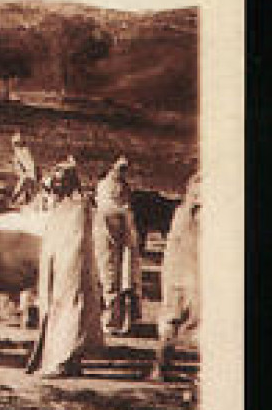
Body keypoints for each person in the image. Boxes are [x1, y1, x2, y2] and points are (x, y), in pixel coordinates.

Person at [25, 162, 105, 378]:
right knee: (58, 308)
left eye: (60, 182)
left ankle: (63, 361)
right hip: (57, 265)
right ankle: (67, 360)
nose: (56, 187)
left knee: (70, 308)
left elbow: (77, 241)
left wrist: (67, 267)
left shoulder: (79, 207)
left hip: (72, 267)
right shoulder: (61, 207)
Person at [151, 170, 201, 381]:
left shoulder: (181, 212)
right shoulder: (195, 217)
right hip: (188, 273)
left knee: (172, 318)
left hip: (177, 273)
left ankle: (160, 367)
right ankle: (161, 367)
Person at [93, 157, 140, 334]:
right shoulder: (109, 187)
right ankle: (114, 319)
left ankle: (117, 320)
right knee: (113, 276)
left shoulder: (119, 188)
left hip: (118, 237)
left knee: (117, 277)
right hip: (112, 235)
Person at [10, 132, 40, 207]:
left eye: (17, 143)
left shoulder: (22, 151)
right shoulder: (20, 152)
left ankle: (15, 201)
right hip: (28, 176)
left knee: (26, 185)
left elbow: (30, 166)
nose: (15, 146)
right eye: (15, 143)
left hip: (28, 176)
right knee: (26, 188)